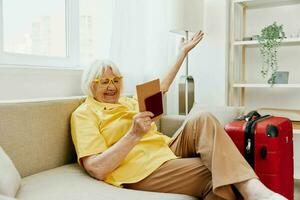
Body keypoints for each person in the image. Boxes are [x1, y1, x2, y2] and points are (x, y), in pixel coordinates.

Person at [71, 31, 286, 200]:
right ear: (91, 85)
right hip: (139, 169)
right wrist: (133, 135)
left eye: (115, 80)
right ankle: (253, 193)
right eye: (104, 81)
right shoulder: (84, 114)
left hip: (165, 149)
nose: (112, 86)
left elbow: (162, 88)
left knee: (204, 118)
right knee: (214, 171)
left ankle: (254, 191)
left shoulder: (127, 101)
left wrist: (182, 53)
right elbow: (96, 168)